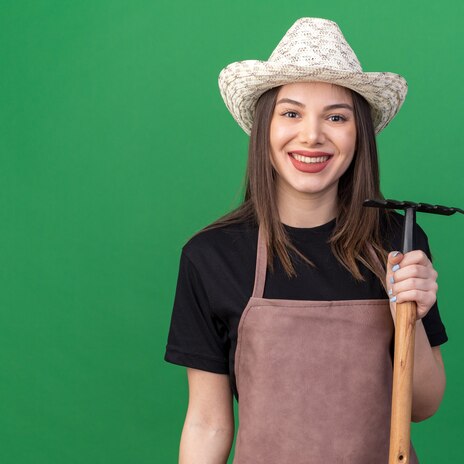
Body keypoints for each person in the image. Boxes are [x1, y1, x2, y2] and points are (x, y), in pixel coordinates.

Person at [165, 17, 447, 464]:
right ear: (265, 128)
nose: (312, 135)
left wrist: (410, 314)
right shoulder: (211, 257)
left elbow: (423, 406)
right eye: (291, 113)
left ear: (360, 136)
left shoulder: (395, 241)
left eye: (336, 117)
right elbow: (207, 421)